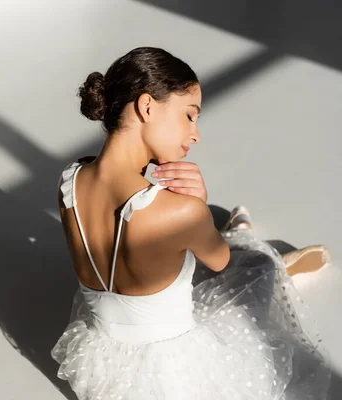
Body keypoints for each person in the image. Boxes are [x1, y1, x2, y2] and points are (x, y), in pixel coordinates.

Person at [51, 47, 331, 399]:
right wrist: (196, 204)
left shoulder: (68, 183)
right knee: (251, 265)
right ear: (147, 107)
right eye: (189, 115)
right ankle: (250, 240)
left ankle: (237, 234)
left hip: (105, 371)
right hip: (176, 377)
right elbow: (220, 262)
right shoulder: (181, 212)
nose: (195, 134)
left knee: (166, 260)